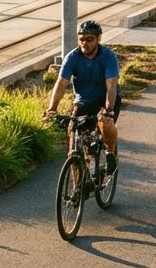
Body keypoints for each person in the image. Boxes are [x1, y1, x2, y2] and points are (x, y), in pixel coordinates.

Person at [45, 20, 121, 173]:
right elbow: (61, 84)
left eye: (89, 39)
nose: (85, 43)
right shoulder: (72, 57)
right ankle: (78, 186)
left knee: (105, 122)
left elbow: (111, 84)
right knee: (73, 133)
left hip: (106, 99)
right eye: (81, 39)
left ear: (99, 39)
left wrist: (109, 109)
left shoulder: (108, 56)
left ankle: (110, 153)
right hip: (84, 101)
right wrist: (51, 109)